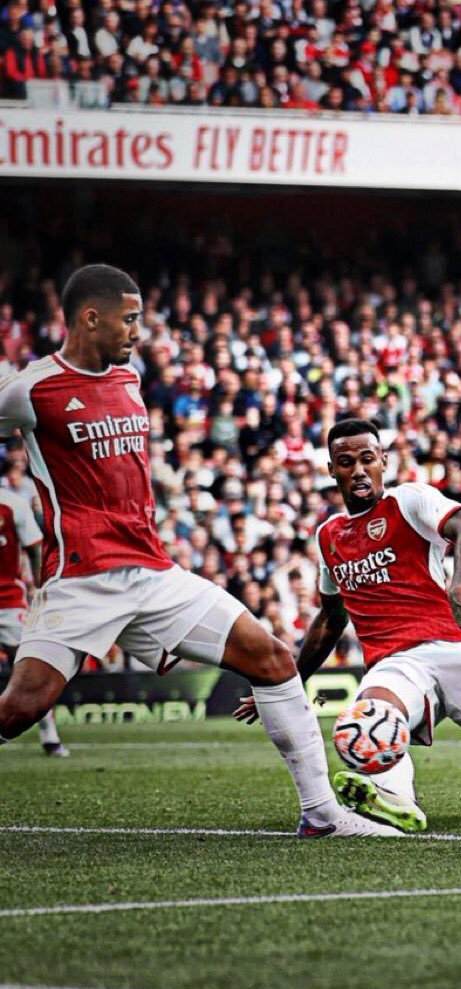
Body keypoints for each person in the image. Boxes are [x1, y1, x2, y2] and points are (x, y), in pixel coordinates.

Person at [0, 264, 399, 839]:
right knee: (19, 710)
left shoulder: (128, 378)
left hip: (154, 573)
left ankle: (322, 816)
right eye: (129, 318)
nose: (139, 330)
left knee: (274, 660)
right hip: (81, 580)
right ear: (91, 317)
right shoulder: (30, 388)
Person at [237, 418, 461, 833]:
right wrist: (284, 686)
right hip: (394, 664)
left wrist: (460, 588)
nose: (359, 470)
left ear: (384, 460)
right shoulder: (328, 535)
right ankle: (397, 802)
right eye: (346, 462)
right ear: (331, 469)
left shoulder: (411, 501)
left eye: (368, 459)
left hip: (457, 647)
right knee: (368, 719)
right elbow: (331, 620)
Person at [0, 478, 67, 756]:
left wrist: (42, 587)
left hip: (8, 601)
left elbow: (35, 546)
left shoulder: (13, 504)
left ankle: (49, 734)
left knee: (30, 667)